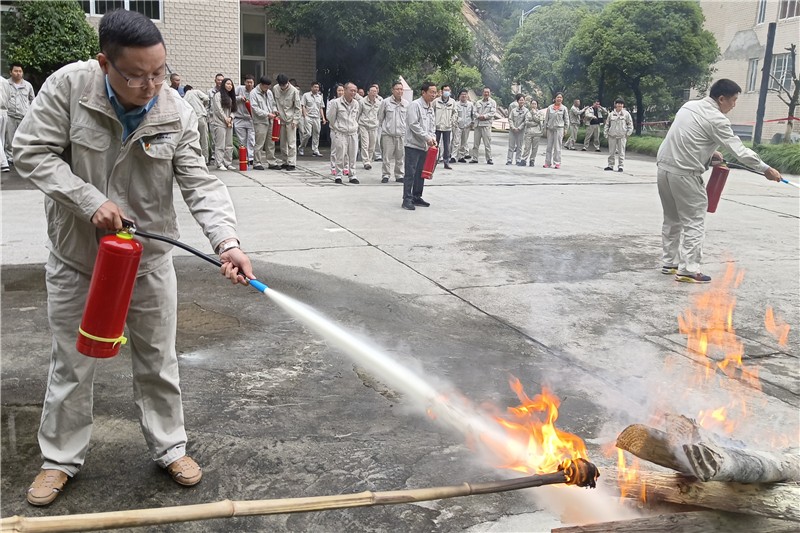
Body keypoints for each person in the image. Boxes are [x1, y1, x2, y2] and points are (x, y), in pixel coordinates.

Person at [12, 9, 255, 507]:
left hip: (148, 260)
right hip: (79, 257)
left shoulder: (175, 109)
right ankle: (59, 459)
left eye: (159, 72)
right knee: (72, 363)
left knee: (158, 359)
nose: (150, 86)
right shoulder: (69, 89)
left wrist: (226, 241)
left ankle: (170, 447)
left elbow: (199, 182)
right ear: (105, 63)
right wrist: (87, 199)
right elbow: (30, 152)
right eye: (137, 76)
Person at [657, 78, 782, 283]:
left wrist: (710, 153)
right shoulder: (717, 119)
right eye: (733, 100)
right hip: (686, 173)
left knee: (672, 218)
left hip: (664, 168)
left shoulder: (689, 106)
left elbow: (688, 136)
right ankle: (688, 270)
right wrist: (766, 169)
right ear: (721, 99)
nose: (734, 105)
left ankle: (670, 263)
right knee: (694, 221)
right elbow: (739, 151)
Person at [402, 81, 437, 211]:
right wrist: (427, 137)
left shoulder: (430, 107)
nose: (434, 95)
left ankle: (417, 196)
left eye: (435, 92)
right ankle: (407, 199)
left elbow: (432, 126)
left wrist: (432, 138)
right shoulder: (415, 105)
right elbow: (413, 124)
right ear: (423, 92)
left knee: (421, 173)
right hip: (413, 145)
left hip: (425, 146)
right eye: (431, 92)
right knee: (410, 173)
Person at [327, 82, 360, 183]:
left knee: (353, 155)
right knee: (340, 154)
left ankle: (352, 175)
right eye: (351, 90)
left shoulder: (356, 103)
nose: (353, 93)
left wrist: (354, 126)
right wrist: (337, 127)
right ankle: (338, 175)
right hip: (341, 132)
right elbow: (331, 117)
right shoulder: (336, 103)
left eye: (355, 91)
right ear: (345, 90)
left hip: (353, 132)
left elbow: (356, 117)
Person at [5, 63, 36, 163]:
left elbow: (33, 100)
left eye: (20, 71)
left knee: (24, 138)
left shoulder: (28, 85)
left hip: (24, 116)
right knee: (9, 140)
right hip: (10, 116)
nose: (18, 73)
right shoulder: (5, 84)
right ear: (10, 72)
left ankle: (22, 158)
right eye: (16, 71)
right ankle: (10, 158)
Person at [377, 80, 407, 183]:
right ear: (392, 90)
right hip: (388, 135)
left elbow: (407, 120)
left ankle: (399, 175)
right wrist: (384, 129)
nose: (399, 91)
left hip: (401, 135)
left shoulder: (406, 104)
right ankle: (385, 175)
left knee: (400, 157)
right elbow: (380, 117)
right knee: (386, 156)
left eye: (401, 89)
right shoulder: (385, 102)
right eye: (397, 89)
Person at [272, 73, 301, 171]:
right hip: (280, 119)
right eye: (281, 85)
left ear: (288, 82)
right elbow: (273, 102)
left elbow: (298, 108)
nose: (283, 87)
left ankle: (292, 163)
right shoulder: (275, 88)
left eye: (284, 85)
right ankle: (285, 161)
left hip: (291, 120)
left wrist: (295, 120)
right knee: (282, 143)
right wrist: (275, 110)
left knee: (291, 143)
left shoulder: (294, 91)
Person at [251, 76, 279, 171]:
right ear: (261, 85)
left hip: (270, 121)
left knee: (271, 143)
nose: (267, 89)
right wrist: (267, 114)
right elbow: (255, 108)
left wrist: (275, 110)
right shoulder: (254, 93)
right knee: (259, 143)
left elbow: (273, 104)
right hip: (260, 122)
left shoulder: (269, 92)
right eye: (266, 87)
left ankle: (272, 162)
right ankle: (257, 162)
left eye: (268, 87)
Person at [211, 77, 237, 170]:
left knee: (229, 144)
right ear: (223, 85)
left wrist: (231, 117)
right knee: (220, 144)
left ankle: (228, 162)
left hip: (229, 123)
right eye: (227, 84)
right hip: (219, 122)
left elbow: (234, 109)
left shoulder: (231, 96)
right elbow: (218, 109)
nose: (229, 86)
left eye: (231, 84)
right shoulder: (218, 95)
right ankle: (219, 163)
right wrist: (225, 118)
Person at [182, 84, 210, 164]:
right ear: (191, 88)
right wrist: (204, 106)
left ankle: (196, 159)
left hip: (192, 120)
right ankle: (205, 159)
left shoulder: (184, 98)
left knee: (194, 139)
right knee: (204, 139)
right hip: (201, 116)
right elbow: (206, 98)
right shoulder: (196, 91)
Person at [604, 98, 633, 172]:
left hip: (622, 135)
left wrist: (628, 133)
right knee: (611, 152)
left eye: (621, 104)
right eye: (618, 104)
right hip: (612, 135)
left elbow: (630, 124)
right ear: (615, 105)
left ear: (623, 105)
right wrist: (606, 133)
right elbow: (607, 124)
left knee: (621, 152)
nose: (620, 105)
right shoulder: (611, 114)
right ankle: (610, 165)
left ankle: (621, 166)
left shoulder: (626, 114)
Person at [433, 84, 457, 169]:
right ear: (441, 91)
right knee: (434, 145)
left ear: (450, 92)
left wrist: (451, 121)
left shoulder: (452, 102)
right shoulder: (436, 101)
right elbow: (431, 112)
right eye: (445, 90)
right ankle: (433, 161)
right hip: (437, 126)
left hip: (447, 127)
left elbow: (455, 113)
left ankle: (446, 162)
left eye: (448, 90)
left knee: (447, 145)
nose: (446, 92)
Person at [470, 87, 496, 164]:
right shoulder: (478, 102)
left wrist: (484, 116)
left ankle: (489, 158)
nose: (486, 94)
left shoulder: (492, 102)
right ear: (482, 93)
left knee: (487, 143)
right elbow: (474, 112)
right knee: (476, 143)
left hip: (486, 125)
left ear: (490, 93)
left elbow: (492, 113)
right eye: (485, 92)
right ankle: (475, 158)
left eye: (488, 92)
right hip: (478, 125)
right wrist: (479, 116)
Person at [234, 74, 256, 165]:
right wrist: (239, 98)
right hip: (239, 118)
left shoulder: (255, 92)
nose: (249, 84)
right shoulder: (239, 89)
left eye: (251, 82)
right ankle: (244, 158)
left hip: (251, 119)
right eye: (247, 82)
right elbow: (231, 98)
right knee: (242, 140)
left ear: (253, 83)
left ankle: (251, 158)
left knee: (251, 139)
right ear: (244, 82)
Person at [358, 84, 381, 170]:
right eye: (372, 91)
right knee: (365, 144)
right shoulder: (362, 101)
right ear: (368, 92)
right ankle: (366, 162)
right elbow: (358, 113)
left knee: (372, 145)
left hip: (374, 126)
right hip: (363, 125)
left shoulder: (379, 103)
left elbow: (380, 115)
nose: (374, 93)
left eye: (375, 91)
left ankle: (369, 160)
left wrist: (378, 123)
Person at [300, 81, 326, 157]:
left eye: (317, 87)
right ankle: (301, 147)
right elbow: (303, 106)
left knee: (317, 133)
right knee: (308, 134)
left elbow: (321, 108)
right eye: (315, 87)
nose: (316, 88)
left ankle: (315, 150)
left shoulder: (320, 97)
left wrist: (323, 118)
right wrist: (305, 115)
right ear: (311, 87)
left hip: (317, 117)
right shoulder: (306, 95)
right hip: (308, 116)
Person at [543, 93, 569, 169]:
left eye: (561, 97)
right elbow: (546, 119)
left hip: (559, 129)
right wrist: (545, 128)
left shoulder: (564, 108)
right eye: (558, 97)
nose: (559, 99)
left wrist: (566, 129)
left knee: (557, 147)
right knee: (549, 147)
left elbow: (566, 119)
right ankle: (547, 163)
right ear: (555, 98)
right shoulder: (550, 108)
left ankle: (557, 162)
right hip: (550, 129)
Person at [520, 99, 543, 167]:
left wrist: (534, 113)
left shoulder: (540, 113)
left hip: (537, 132)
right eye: (532, 104)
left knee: (535, 148)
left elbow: (539, 120)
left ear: (537, 105)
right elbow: (526, 122)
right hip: (529, 132)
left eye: (535, 104)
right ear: (530, 105)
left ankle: (532, 160)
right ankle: (524, 159)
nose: (533, 105)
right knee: (527, 147)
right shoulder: (528, 113)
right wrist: (534, 123)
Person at [453, 89, 474, 163]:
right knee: (456, 141)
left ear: (467, 95)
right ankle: (453, 156)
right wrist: (455, 123)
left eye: (465, 94)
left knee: (464, 142)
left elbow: (473, 114)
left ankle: (461, 156)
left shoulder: (471, 105)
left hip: (467, 126)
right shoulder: (456, 104)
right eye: (462, 94)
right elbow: (454, 114)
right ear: (460, 96)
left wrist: (472, 123)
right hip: (457, 126)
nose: (464, 96)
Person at [506, 94, 527, 165]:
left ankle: (518, 159)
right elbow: (510, 119)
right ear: (517, 101)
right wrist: (513, 127)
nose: (521, 101)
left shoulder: (526, 111)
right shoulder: (513, 110)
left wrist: (519, 128)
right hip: (512, 130)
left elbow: (525, 121)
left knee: (519, 146)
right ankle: (509, 160)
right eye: (520, 100)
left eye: (523, 100)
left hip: (521, 131)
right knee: (511, 146)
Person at [0, 75, 10, 172]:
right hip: (4, 112)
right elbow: (9, 96)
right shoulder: (5, 81)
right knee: (2, 138)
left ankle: (3, 163)